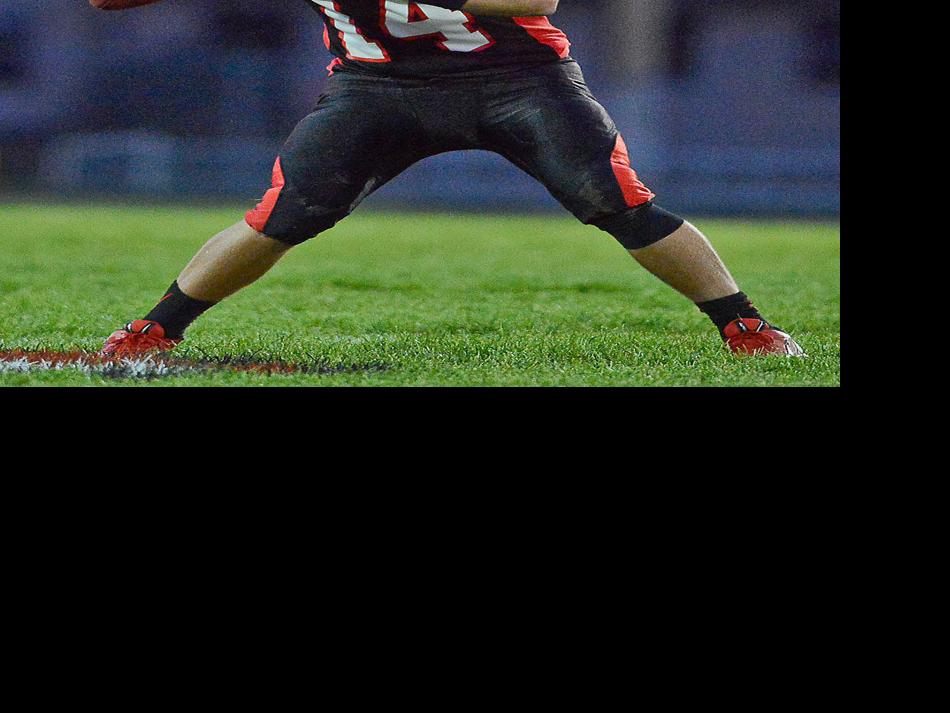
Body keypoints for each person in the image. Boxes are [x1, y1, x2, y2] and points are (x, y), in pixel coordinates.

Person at [91, 0, 804, 358]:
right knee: (284, 214)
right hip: (376, 87)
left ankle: (744, 323)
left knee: (618, 202)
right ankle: (155, 329)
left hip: (516, 79)